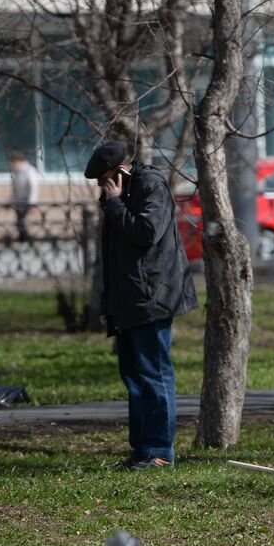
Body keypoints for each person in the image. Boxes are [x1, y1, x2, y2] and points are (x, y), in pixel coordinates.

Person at [84, 140, 197, 470]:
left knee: (154, 374)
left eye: (105, 178)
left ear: (120, 171)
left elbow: (147, 233)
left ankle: (160, 451)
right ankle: (143, 450)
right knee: (134, 377)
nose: (102, 186)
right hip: (130, 300)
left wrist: (116, 205)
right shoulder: (117, 197)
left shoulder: (149, 186)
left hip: (153, 297)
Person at [8, 150, 40, 242]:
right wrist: (10, 201)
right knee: (19, 221)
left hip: (27, 201)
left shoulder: (29, 170)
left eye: (14, 162)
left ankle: (26, 238)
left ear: (18, 161)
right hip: (19, 201)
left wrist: (32, 203)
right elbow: (15, 189)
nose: (13, 165)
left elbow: (33, 187)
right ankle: (23, 238)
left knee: (23, 221)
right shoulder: (16, 172)